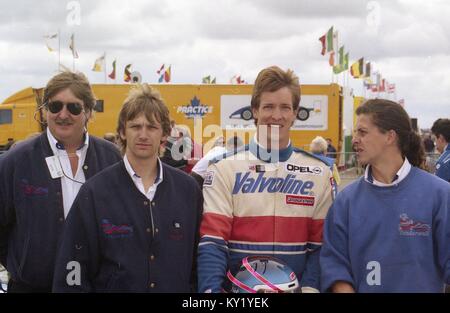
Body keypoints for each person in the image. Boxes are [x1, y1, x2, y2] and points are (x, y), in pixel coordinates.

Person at [197, 66, 335, 293]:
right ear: (255, 110)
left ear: (295, 112)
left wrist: (310, 289)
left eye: (285, 107)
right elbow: (213, 243)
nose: (277, 115)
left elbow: (320, 247)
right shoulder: (224, 168)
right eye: (268, 106)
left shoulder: (320, 171)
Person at [53, 84, 202, 292]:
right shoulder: (94, 193)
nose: (143, 134)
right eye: (135, 126)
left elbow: (198, 264)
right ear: (122, 132)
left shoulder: (188, 190)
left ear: (165, 135)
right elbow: (73, 265)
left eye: (151, 127)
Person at [0, 71, 122, 293]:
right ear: (45, 110)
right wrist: (25, 263)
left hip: (95, 285)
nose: (63, 114)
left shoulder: (111, 158)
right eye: (55, 106)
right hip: (32, 287)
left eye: (73, 107)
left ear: (88, 112)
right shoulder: (15, 162)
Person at [320, 99, 450, 293]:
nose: (355, 139)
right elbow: (334, 264)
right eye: (356, 132)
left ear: (390, 137)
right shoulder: (345, 201)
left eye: (362, 132)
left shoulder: (440, 195)